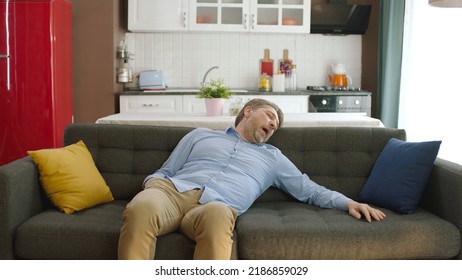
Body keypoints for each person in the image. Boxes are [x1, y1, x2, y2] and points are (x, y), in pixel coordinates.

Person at [118, 98, 386, 260]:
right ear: (248, 111)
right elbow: (167, 170)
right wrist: (153, 186)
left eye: (277, 124)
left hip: (215, 205)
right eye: (270, 115)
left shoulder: (273, 158)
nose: (274, 124)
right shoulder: (200, 134)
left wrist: (347, 202)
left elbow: (309, 189)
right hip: (172, 194)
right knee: (142, 206)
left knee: (218, 217)